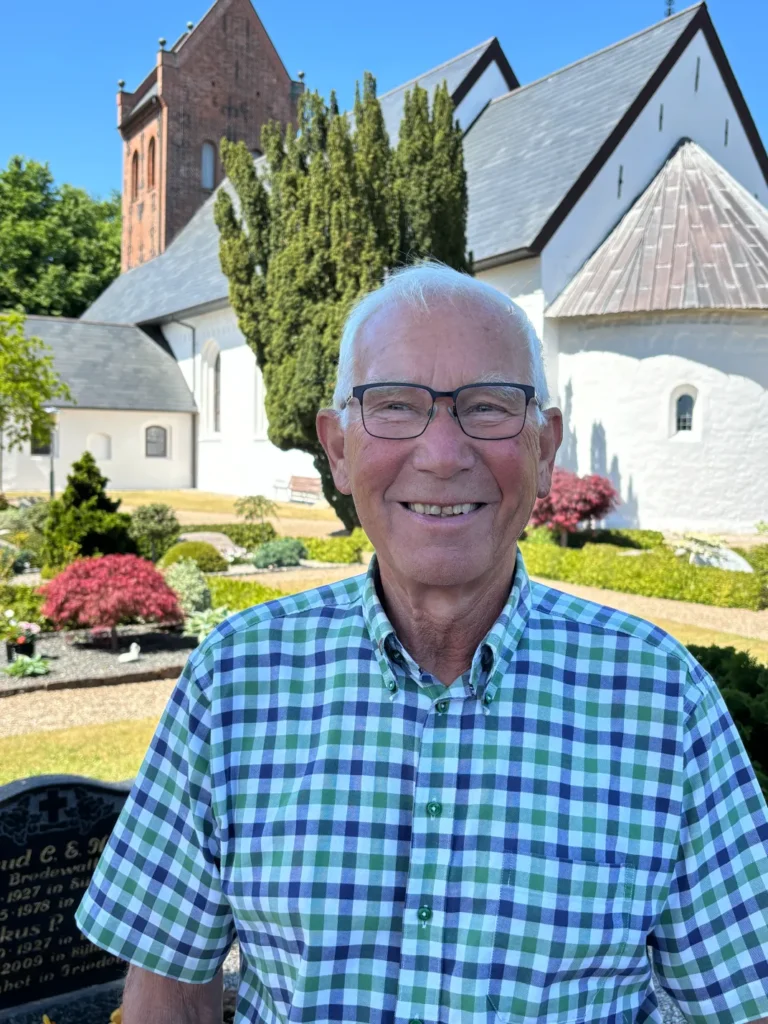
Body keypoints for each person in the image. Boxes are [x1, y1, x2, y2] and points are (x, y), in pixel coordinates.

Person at [75, 261, 768, 1024]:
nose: (442, 453)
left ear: (544, 448)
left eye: (490, 406)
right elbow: (168, 999)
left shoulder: (662, 701)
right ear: (337, 449)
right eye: (395, 405)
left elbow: (737, 1005)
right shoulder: (235, 682)